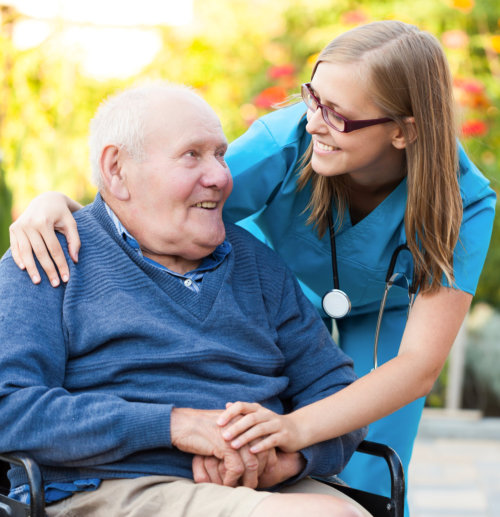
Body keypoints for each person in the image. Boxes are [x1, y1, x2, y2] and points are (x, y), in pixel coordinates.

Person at [8, 20, 496, 515]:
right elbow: (145, 204)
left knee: (370, 474)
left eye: (339, 115)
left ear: (402, 131)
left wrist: (290, 446)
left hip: (384, 310)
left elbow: (414, 367)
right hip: (278, 303)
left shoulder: (464, 202)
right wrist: (57, 205)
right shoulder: (283, 147)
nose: (313, 123)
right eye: (312, 98)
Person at [0, 82, 369, 517]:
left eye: (220, 154)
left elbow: (337, 392)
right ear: (117, 169)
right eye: (192, 154)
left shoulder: (257, 264)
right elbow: (9, 406)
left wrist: (288, 459)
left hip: (264, 485)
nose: (219, 176)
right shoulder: (47, 258)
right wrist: (177, 425)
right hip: (113, 487)